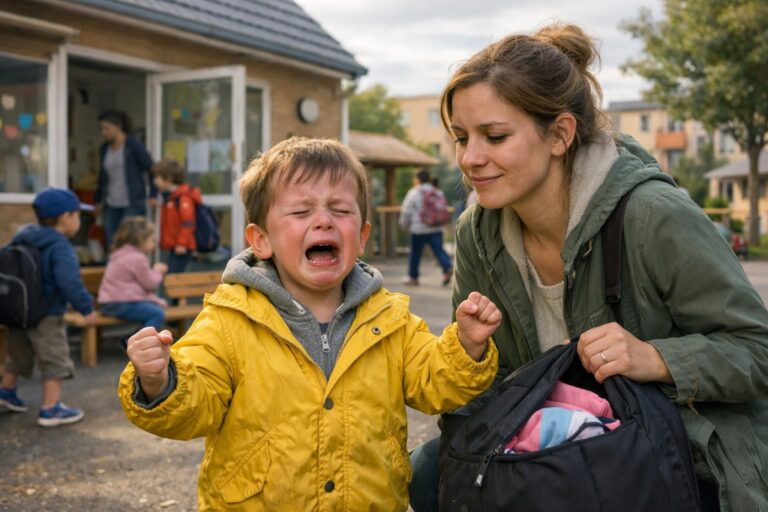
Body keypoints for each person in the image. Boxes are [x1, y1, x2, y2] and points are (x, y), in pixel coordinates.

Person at [409, 23, 768, 512]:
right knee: (431, 469)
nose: (470, 159)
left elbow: (755, 349)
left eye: (494, 136)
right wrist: (468, 360)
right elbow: (481, 397)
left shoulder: (653, 214)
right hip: (557, 443)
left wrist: (657, 359)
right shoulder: (477, 231)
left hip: (673, 450)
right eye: (460, 137)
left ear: (559, 134)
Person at [117, 137, 501, 510]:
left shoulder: (390, 318)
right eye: (301, 212)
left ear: (362, 236)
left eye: (341, 210)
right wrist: (159, 381)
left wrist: (466, 347)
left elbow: (433, 383)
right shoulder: (229, 318)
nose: (323, 221)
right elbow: (197, 403)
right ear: (261, 240)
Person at [0, 188, 98, 427]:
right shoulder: (60, 246)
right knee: (55, 359)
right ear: (65, 217)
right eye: (78, 216)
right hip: (47, 313)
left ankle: (6, 393)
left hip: (18, 312)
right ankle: (50, 408)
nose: (79, 221)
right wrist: (87, 309)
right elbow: (69, 282)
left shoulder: (22, 236)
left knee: (17, 355)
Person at [98, 216, 168, 344]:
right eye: (151, 240)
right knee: (157, 313)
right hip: (122, 303)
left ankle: (129, 340)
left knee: (152, 309)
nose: (154, 244)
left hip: (109, 303)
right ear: (141, 239)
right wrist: (158, 271)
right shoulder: (138, 258)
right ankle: (137, 343)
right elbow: (150, 283)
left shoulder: (119, 253)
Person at [95, 110, 156, 251]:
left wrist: (153, 194)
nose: (103, 133)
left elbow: (152, 169)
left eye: (107, 128)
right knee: (112, 241)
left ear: (118, 126)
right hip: (111, 203)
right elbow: (102, 177)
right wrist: (98, 200)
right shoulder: (104, 149)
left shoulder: (133, 145)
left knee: (129, 241)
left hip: (132, 202)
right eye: (101, 129)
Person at [398, 169, 454, 286]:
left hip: (418, 229)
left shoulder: (414, 193)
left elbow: (406, 211)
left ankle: (413, 277)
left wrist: (403, 225)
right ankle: (447, 267)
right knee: (439, 250)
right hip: (435, 228)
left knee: (415, 253)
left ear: (417, 179)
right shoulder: (438, 192)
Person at [152, 158, 201, 273]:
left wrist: (182, 243)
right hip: (173, 246)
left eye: (157, 178)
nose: (155, 181)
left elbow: (188, 223)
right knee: (171, 277)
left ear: (168, 179)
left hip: (182, 247)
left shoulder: (183, 198)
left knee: (174, 278)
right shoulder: (171, 197)